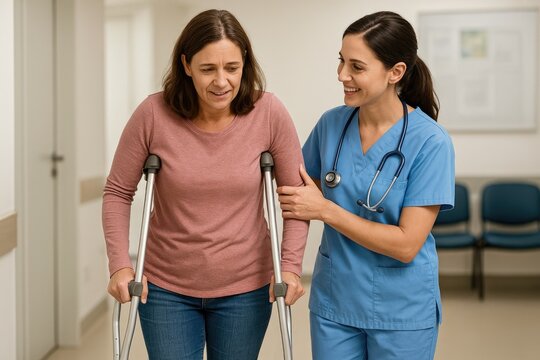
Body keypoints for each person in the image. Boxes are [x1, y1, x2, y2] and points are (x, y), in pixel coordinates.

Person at [102, 9, 308, 360]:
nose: (222, 81)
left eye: (232, 68)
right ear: (186, 65)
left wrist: (288, 266)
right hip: (165, 287)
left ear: (245, 62)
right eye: (208, 69)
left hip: (245, 286)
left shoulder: (269, 113)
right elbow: (118, 193)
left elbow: (295, 199)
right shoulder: (153, 114)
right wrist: (121, 264)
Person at [277, 11, 455, 360]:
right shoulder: (331, 125)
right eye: (341, 62)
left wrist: (326, 210)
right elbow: (294, 196)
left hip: (401, 309)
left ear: (396, 72)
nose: (342, 75)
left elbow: (406, 244)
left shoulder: (430, 142)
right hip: (334, 303)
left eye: (356, 67)